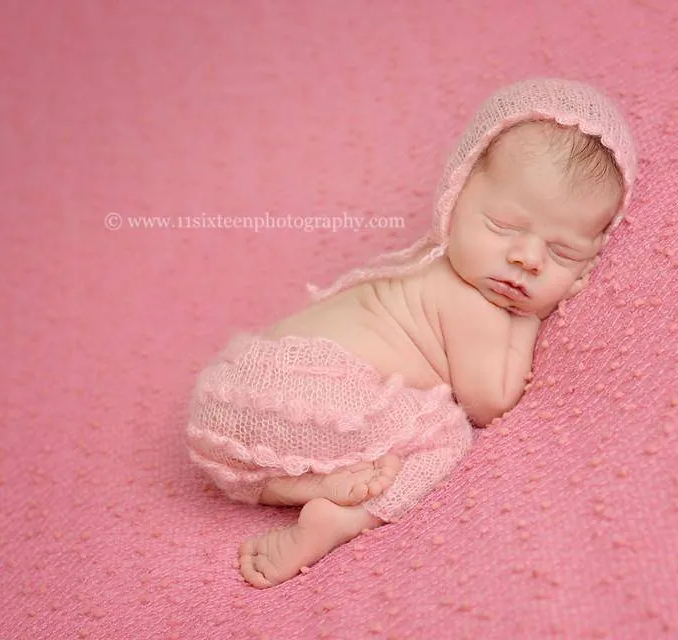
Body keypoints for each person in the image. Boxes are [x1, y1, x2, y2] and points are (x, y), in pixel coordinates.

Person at [185, 78, 638, 588]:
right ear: (455, 196)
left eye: (563, 254)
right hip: (312, 394)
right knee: (447, 433)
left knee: (253, 453)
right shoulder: (470, 301)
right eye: (504, 226)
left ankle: (306, 484)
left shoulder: (414, 273)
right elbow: (492, 401)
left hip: (227, 396)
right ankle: (345, 515)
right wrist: (531, 319)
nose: (526, 259)